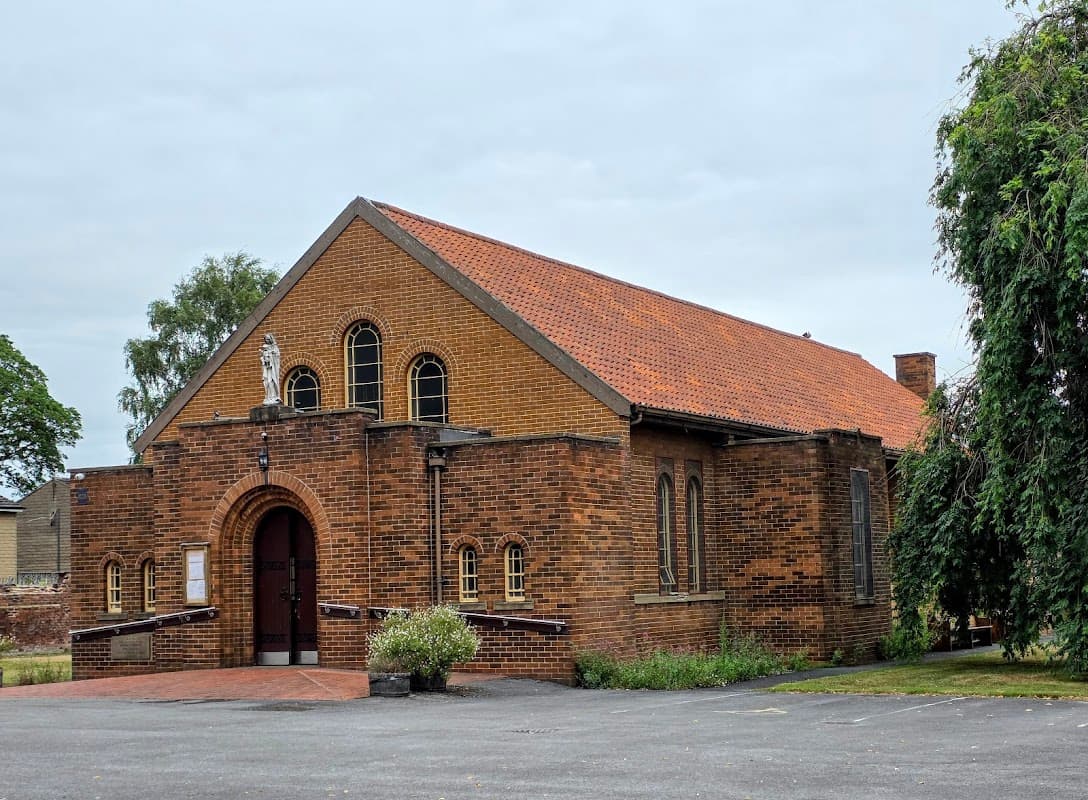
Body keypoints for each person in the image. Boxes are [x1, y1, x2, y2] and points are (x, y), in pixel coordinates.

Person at [260, 333, 281, 405]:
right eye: (266, 339)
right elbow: (262, 357)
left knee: (272, 381)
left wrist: (272, 354)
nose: (267, 340)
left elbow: (277, 356)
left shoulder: (274, 347)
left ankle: (274, 396)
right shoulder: (264, 347)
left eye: (268, 339)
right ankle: (269, 397)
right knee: (267, 382)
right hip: (267, 368)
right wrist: (263, 357)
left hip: (273, 368)